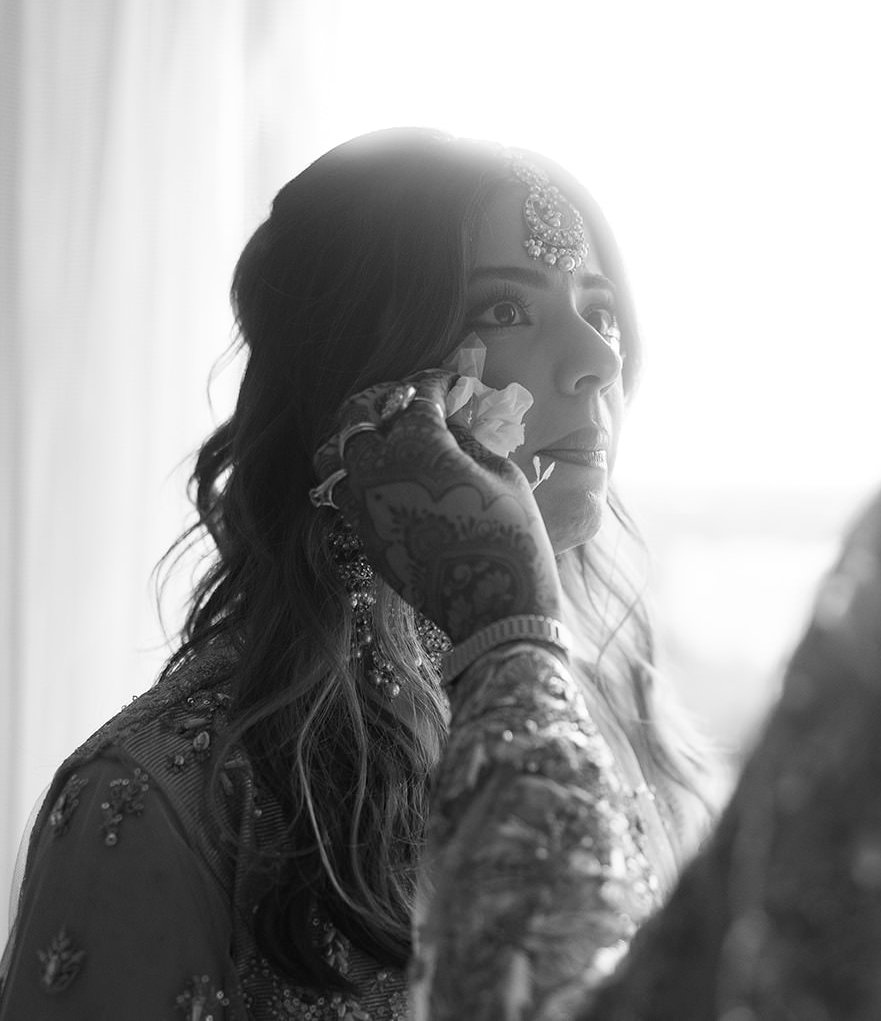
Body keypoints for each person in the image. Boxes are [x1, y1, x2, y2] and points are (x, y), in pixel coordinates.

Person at [0, 128, 713, 1019]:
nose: (599, 359)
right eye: (503, 310)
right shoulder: (162, 796)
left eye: (599, 310)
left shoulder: (616, 715)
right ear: (358, 376)